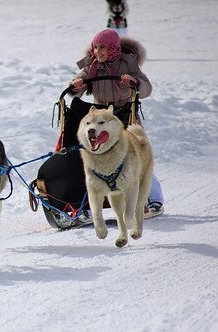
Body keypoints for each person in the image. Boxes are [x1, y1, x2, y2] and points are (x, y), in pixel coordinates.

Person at [70, 28, 164, 216]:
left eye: (102, 48)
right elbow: (78, 82)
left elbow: (146, 87)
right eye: (95, 47)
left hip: (125, 114)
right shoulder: (92, 65)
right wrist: (77, 84)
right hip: (101, 119)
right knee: (93, 159)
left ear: (113, 48)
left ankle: (153, 199)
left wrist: (134, 83)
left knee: (137, 158)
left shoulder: (127, 63)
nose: (98, 52)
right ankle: (83, 202)